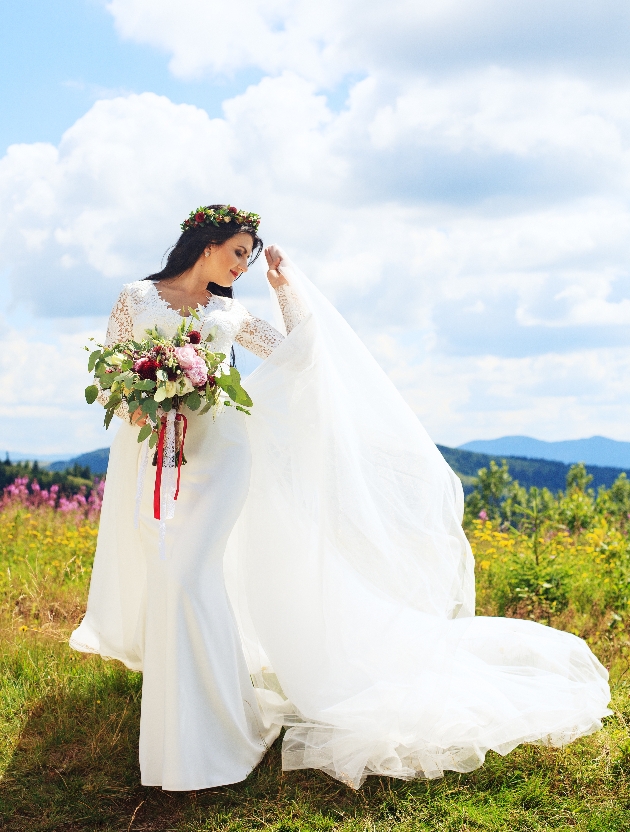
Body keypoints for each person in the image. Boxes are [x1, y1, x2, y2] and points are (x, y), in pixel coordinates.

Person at [71, 204, 611, 791]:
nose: (245, 265)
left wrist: (285, 289)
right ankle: (203, 714)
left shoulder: (231, 311)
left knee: (186, 576)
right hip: (158, 454)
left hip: (224, 452)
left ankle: (210, 736)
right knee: (176, 578)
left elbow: (296, 354)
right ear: (207, 243)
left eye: (252, 258)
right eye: (239, 253)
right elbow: (111, 385)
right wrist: (156, 398)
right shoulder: (135, 297)